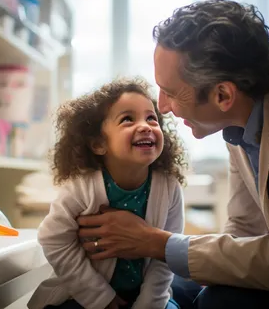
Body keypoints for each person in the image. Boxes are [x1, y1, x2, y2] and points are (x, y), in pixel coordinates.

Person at [77, 0, 269, 309]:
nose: (163, 107)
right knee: (171, 288)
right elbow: (245, 229)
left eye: (170, 92)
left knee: (216, 302)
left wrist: (155, 242)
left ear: (223, 95)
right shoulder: (240, 111)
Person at [27, 78, 187, 309]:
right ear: (98, 144)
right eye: (127, 119)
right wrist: (101, 299)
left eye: (151, 118)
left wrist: (148, 304)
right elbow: (54, 239)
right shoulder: (80, 188)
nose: (145, 126)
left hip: (146, 296)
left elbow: (166, 255)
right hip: (83, 295)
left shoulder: (169, 187)